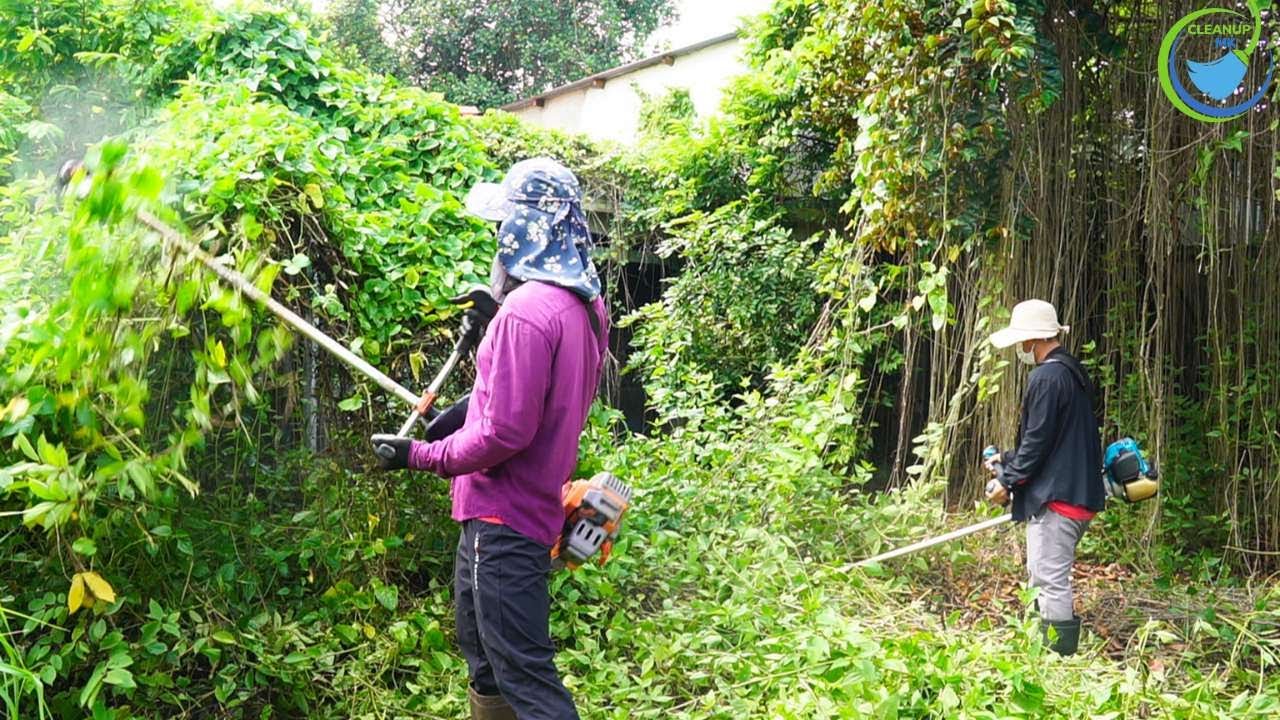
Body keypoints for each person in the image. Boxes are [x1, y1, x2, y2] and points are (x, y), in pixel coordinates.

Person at [371, 158, 607, 719]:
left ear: (531, 228)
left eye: (505, 226)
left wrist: (419, 455)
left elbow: (505, 431)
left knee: (522, 673)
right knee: (484, 658)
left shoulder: (526, 314)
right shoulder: (584, 305)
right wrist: (462, 407)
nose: (499, 239)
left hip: (502, 519)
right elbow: (532, 395)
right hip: (528, 508)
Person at [985, 299, 1103, 656]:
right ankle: (1048, 651)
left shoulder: (1047, 377)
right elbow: (1054, 439)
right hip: (1078, 492)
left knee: (1049, 580)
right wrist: (1006, 461)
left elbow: (1036, 442)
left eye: (1022, 341)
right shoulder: (1072, 372)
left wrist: (1007, 481)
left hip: (1058, 500)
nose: (1020, 348)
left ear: (1031, 340)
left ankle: (1058, 662)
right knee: (1047, 577)